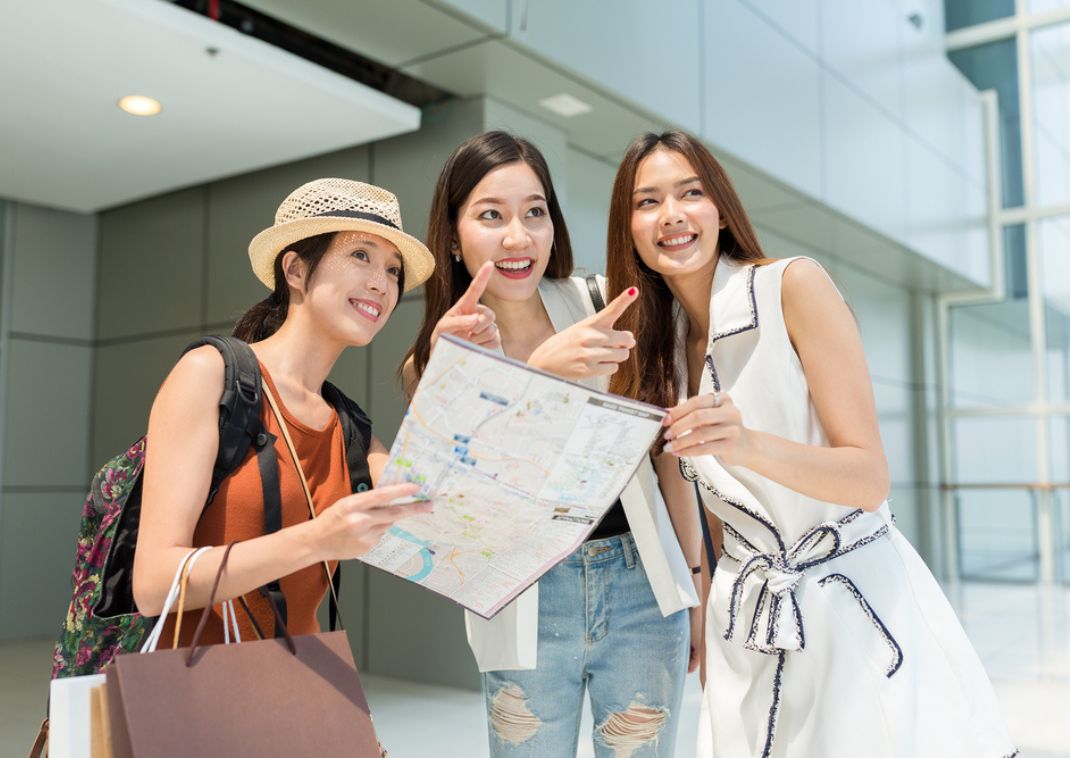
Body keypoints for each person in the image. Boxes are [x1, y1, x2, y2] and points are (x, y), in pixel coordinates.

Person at [605, 130, 1017, 757]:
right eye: (647, 201)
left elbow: (867, 476)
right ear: (628, 227)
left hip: (854, 602)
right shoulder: (664, 350)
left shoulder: (793, 287)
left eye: (691, 193)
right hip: (746, 618)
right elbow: (723, 514)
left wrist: (746, 443)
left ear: (720, 206)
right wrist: (707, 605)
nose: (672, 216)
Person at [402, 131, 701, 758]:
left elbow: (667, 454)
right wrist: (541, 372)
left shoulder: (601, 304)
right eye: (491, 215)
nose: (519, 237)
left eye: (534, 212)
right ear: (453, 237)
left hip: (642, 583)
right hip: (524, 596)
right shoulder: (436, 359)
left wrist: (693, 583)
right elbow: (463, 516)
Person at [131, 178, 433, 645]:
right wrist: (318, 539)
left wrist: (448, 373)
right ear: (294, 268)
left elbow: (435, 525)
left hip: (301, 688)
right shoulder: (209, 376)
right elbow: (153, 585)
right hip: (196, 695)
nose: (382, 282)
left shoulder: (350, 428)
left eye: (394, 270)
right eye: (361, 255)